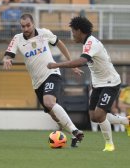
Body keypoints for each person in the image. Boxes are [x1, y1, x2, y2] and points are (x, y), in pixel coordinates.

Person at [47, 16, 130, 151]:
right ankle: (126, 122)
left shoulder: (91, 43)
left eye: (73, 31)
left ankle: (109, 144)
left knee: (99, 115)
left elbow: (81, 61)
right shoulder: (87, 43)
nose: (72, 35)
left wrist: (56, 64)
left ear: (79, 31)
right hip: (98, 84)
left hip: (110, 83)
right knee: (93, 117)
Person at [3, 13, 84, 147]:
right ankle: (72, 134)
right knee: (53, 115)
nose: (25, 29)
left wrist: (71, 63)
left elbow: (60, 44)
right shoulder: (17, 39)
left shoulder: (44, 33)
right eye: (23, 26)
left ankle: (75, 130)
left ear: (33, 24)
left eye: (28, 25)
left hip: (52, 73)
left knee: (49, 101)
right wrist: (6, 59)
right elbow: (8, 54)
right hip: (37, 82)